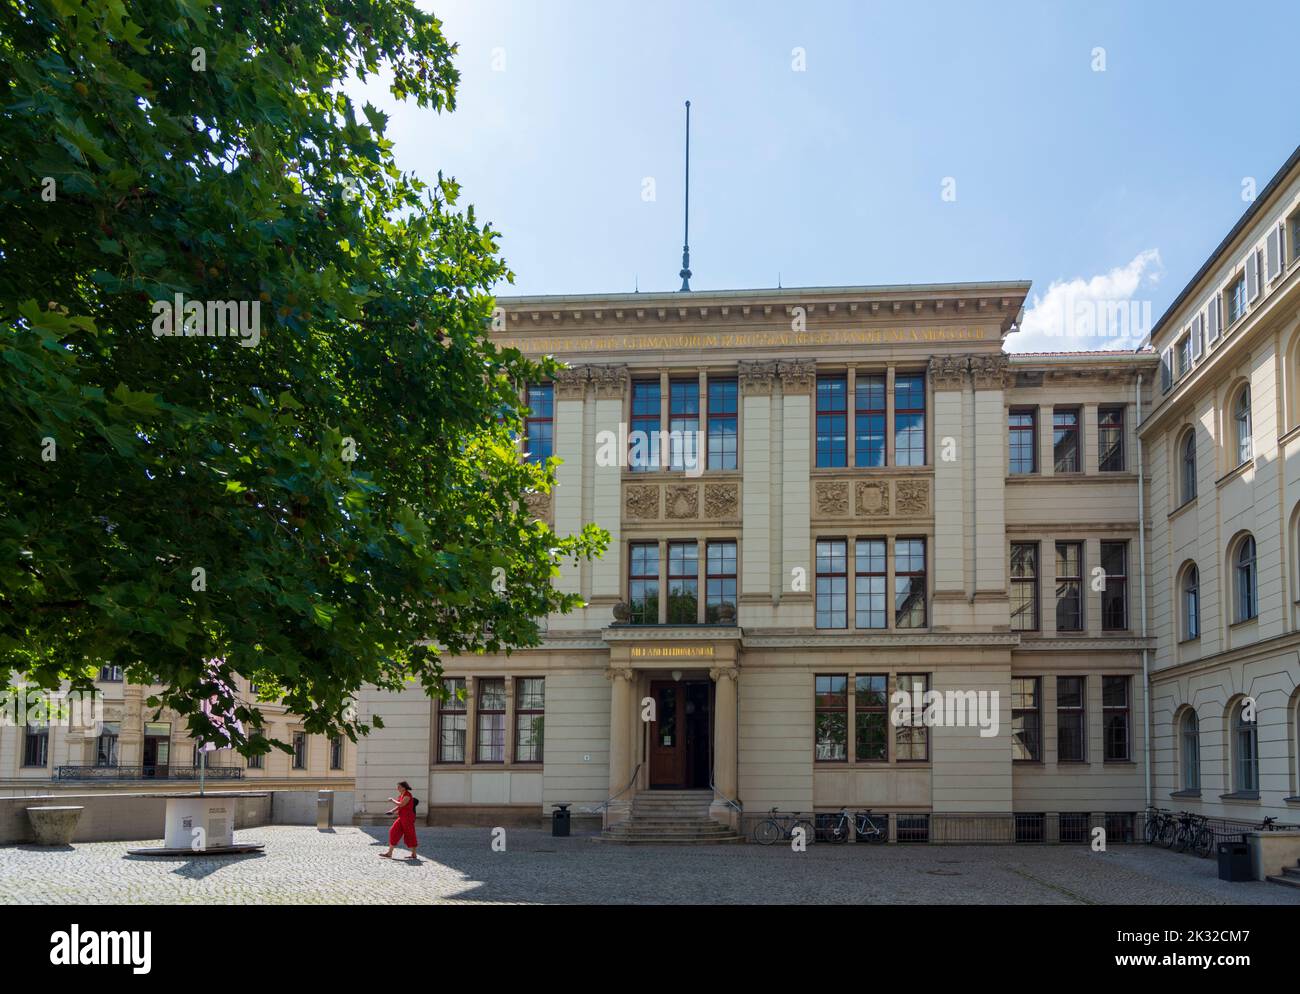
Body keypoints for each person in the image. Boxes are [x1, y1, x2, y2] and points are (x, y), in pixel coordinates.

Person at [380, 780, 419, 860]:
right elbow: (400, 806)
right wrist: (392, 811)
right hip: (401, 817)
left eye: (399, 787)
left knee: (410, 834)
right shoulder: (401, 795)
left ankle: (414, 854)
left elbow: (401, 804)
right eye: (397, 787)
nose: (397, 788)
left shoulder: (408, 795)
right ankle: (389, 853)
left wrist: (392, 800)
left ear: (404, 788)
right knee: (393, 831)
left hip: (408, 818)